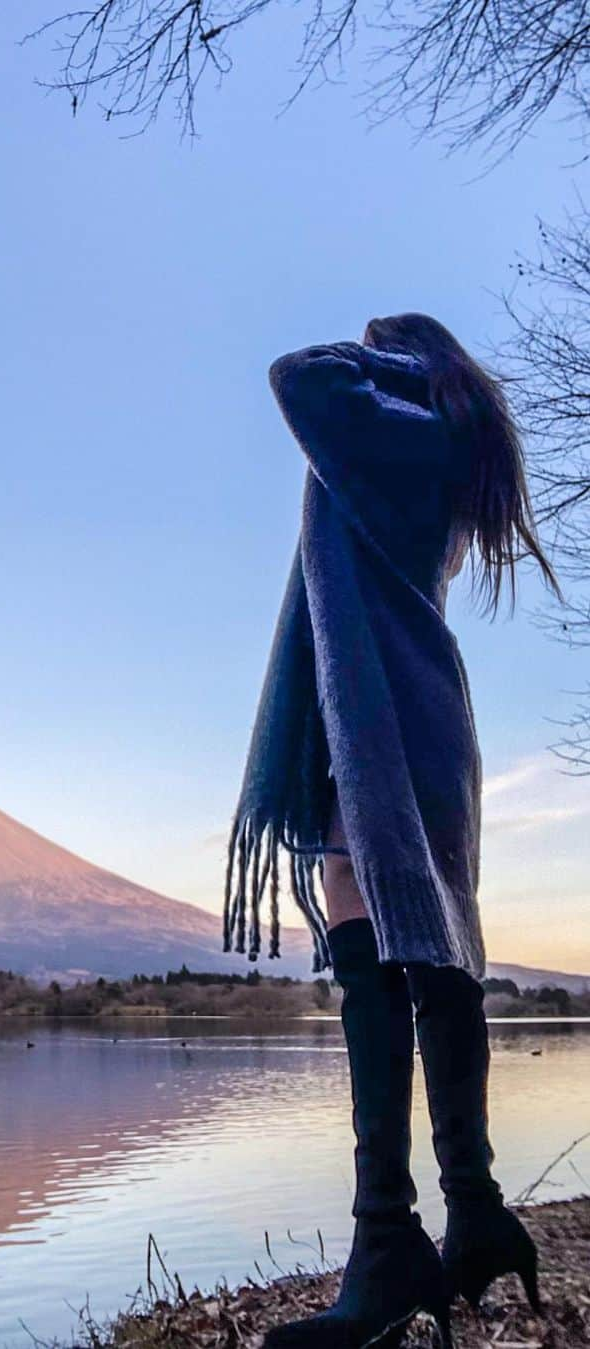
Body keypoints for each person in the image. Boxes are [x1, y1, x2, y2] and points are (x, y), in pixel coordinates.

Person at [223, 313, 561, 1348]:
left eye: (385, 349)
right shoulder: (428, 442)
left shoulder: (413, 429)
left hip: (389, 722)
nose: (361, 353)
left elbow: (298, 374)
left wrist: (393, 355)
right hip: (377, 723)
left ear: (416, 363)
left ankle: (395, 1244)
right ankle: (466, 1215)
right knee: (404, 960)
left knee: (401, 964)